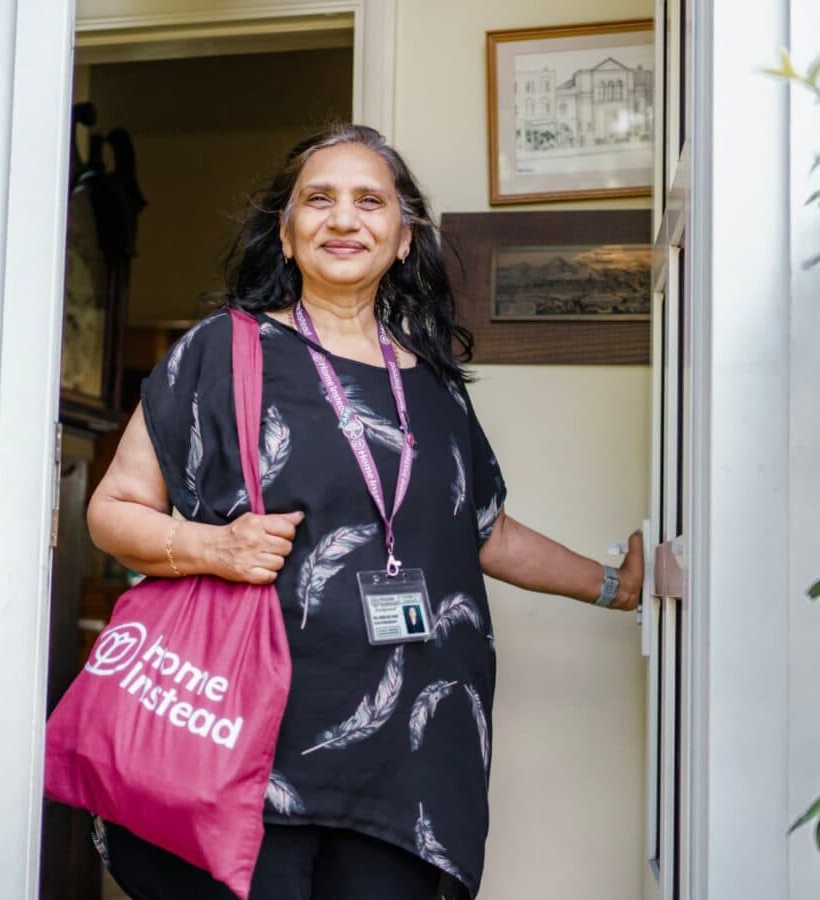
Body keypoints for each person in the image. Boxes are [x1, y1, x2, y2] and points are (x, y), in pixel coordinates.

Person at [86, 123, 643, 900]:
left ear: (404, 238)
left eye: (369, 201)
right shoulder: (223, 351)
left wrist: (617, 585)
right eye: (319, 200)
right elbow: (113, 508)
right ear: (285, 236)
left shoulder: (436, 386)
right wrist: (215, 548)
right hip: (250, 748)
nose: (343, 219)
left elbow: (485, 530)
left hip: (409, 764)